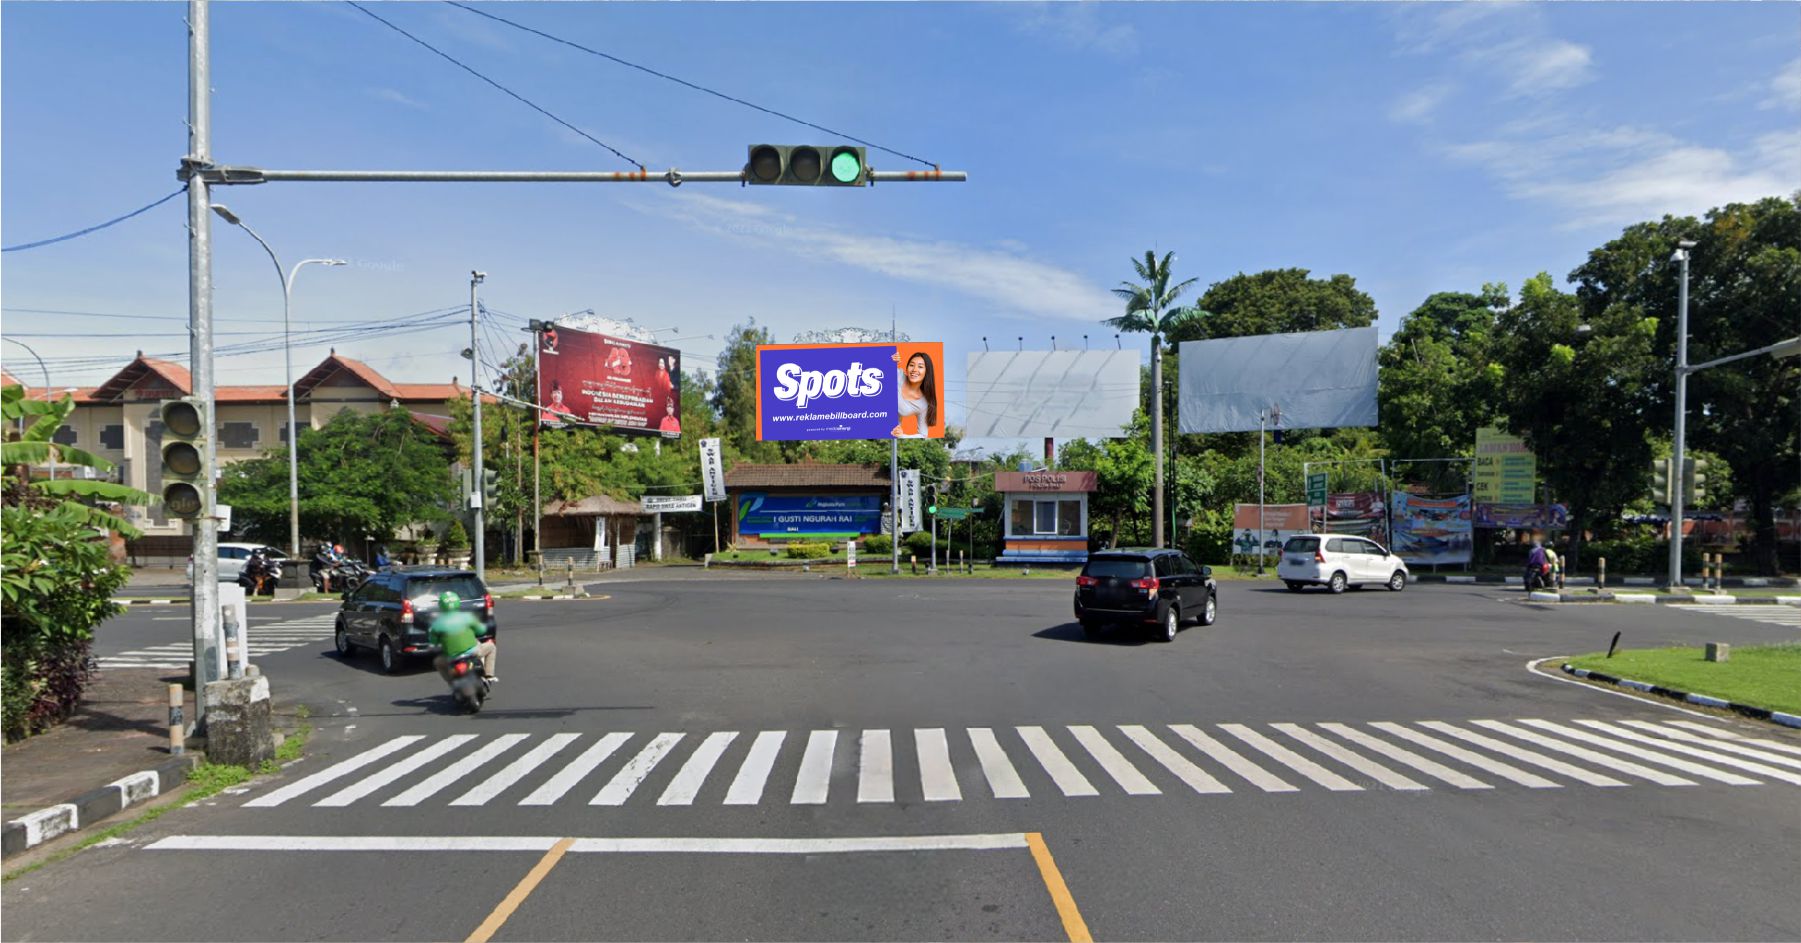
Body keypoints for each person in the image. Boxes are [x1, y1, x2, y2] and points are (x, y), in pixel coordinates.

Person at [429, 591, 496, 683]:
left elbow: (433, 642)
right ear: (458, 603)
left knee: (438, 662)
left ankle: (451, 682)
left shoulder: (437, 624)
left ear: (441, 605)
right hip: (473, 652)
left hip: (451, 657)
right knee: (491, 647)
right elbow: (481, 630)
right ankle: (489, 675)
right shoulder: (467, 617)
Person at [889, 350, 938, 438]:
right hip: (866, 415)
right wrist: (888, 360)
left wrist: (902, 435)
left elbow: (923, 434)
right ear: (907, 367)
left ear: (927, 371)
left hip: (888, 432)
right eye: (911, 365)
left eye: (920, 367)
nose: (915, 370)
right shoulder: (897, 375)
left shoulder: (923, 404)